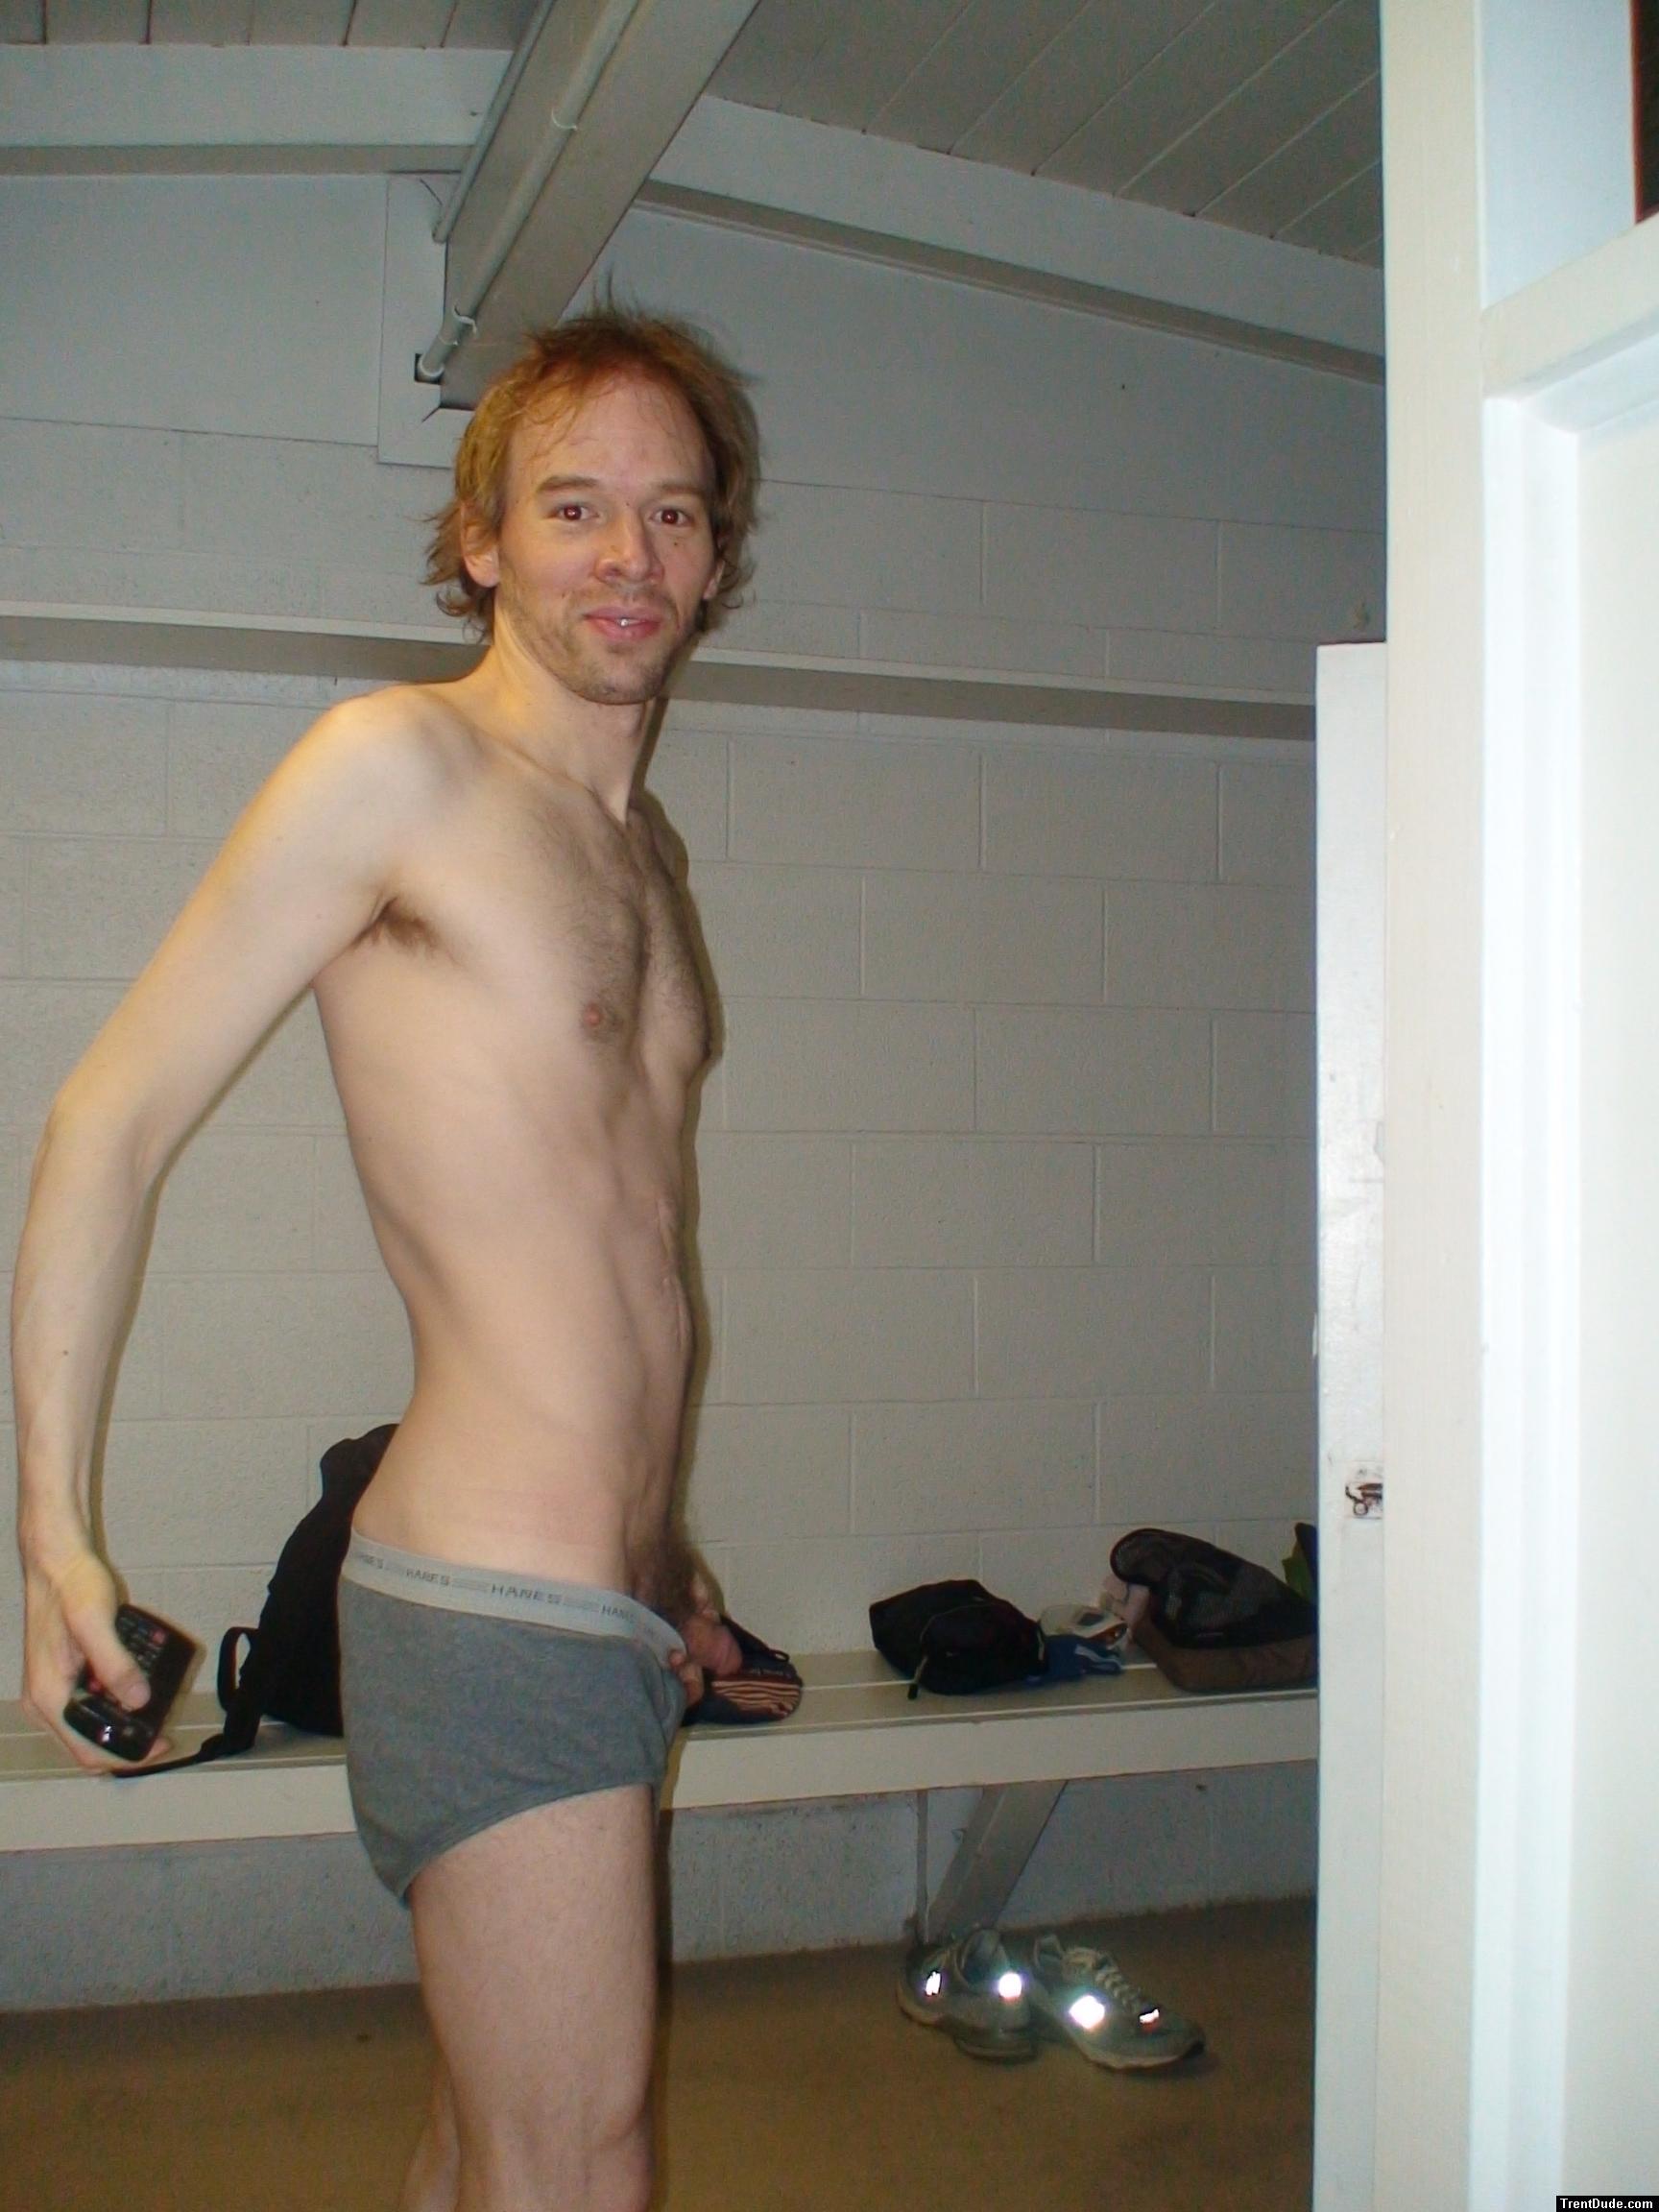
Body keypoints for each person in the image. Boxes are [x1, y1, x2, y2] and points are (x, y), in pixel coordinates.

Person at [12, 304, 762, 2212]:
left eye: (674, 513)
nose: (629, 553)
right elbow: (110, 1120)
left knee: (484, 2145)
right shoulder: (396, 769)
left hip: (608, 1606)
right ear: (483, 540)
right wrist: (54, 1540)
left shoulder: (649, 857)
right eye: (574, 506)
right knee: (572, 2165)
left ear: (715, 555)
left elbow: (618, 1249)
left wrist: (666, 1554)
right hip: (493, 1605)